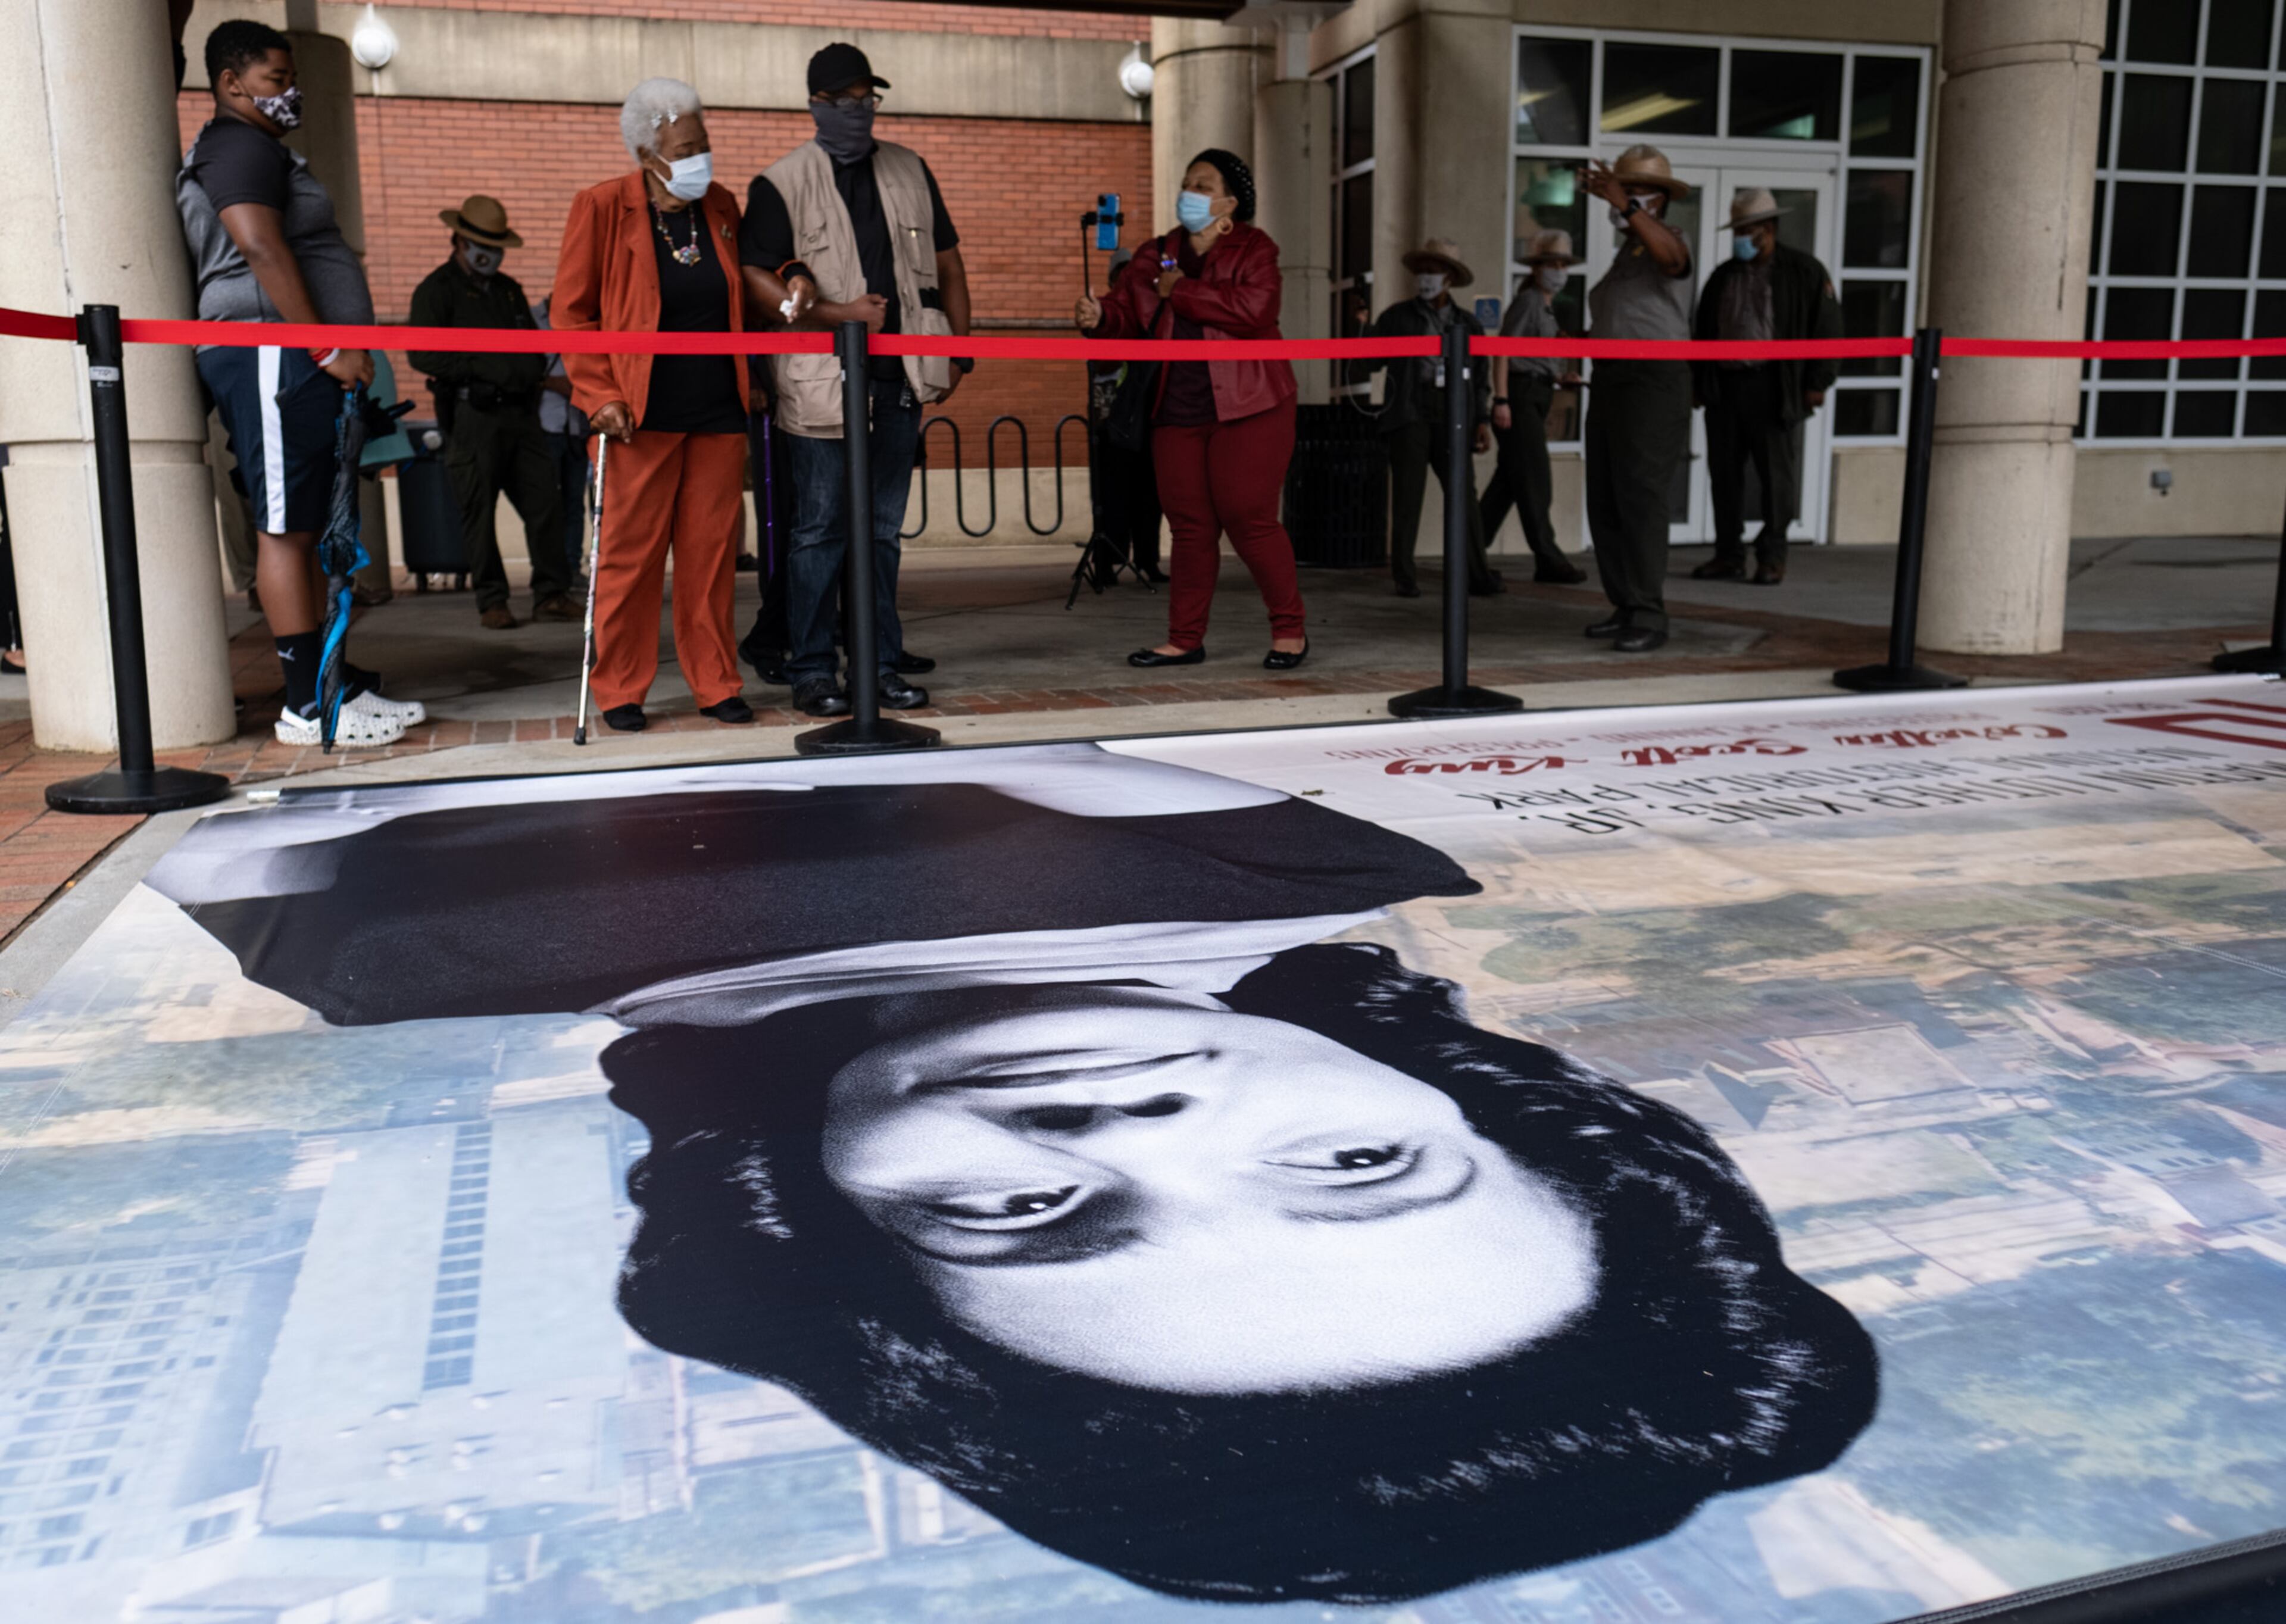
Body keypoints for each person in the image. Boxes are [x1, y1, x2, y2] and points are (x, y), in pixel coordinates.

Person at [148, 743, 1878, 1607]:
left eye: (1022, 1217)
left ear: (824, 1230)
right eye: (1356, 1168)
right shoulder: (1319, 844)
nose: (1131, 1137)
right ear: (1487, 1113)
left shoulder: (376, 948)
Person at [177, 20, 425, 747]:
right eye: (276, 81)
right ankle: (307, 707)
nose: (292, 94)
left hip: (289, 357)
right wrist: (323, 345)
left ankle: (330, 682)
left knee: (308, 522)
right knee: (285, 527)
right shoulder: (237, 147)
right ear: (231, 83)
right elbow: (258, 244)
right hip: (272, 352)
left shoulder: (258, 148)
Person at [740, 42, 969, 720]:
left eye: (868, 99)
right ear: (816, 106)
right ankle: (812, 669)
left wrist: (958, 352)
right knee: (819, 533)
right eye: (842, 102)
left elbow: (950, 267)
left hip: (901, 378)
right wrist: (833, 312)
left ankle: (881, 665)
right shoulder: (780, 183)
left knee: (883, 533)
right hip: (819, 381)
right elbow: (757, 284)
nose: (858, 113)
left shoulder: (909, 168)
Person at [554, 77, 754, 733]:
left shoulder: (721, 206)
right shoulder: (603, 206)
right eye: (687, 146)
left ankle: (716, 681)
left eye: (705, 142)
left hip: (718, 410)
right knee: (628, 560)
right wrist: (599, 394)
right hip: (638, 414)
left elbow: (747, 286)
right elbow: (573, 314)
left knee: (710, 558)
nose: (703, 156)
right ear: (648, 155)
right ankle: (619, 687)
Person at [1077, 151, 1308, 670]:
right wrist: (1099, 317)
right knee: (1189, 526)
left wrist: (1182, 289)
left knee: (1250, 519)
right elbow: (1127, 314)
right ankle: (1184, 639)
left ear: (1231, 201)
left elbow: (1256, 311)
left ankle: (1290, 630)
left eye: (1203, 185)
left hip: (1252, 405)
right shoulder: (1156, 253)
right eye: (1187, 183)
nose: (1190, 192)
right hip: (1176, 408)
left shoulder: (1255, 248)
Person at [407, 197, 576, 629]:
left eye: (497, 244)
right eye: (483, 243)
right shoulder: (435, 291)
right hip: (472, 414)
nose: (491, 253)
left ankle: (551, 593)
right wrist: (480, 369)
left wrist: (525, 375)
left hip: (522, 415)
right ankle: (492, 600)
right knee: (478, 512)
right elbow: (423, 354)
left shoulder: (508, 291)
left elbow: (533, 350)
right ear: (460, 240)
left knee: (544, 502)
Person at [1691, 188, 1844, 586]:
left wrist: (1818, 380)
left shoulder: (1804, 271)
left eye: (1750, 229)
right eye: (1739, 229)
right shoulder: (1724, 276)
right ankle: (1729, 554)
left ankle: (1772, 556)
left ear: (1770, 228)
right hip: (1725, 385)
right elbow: (1703, 331)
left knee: (1776, 477)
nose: (1743, 237)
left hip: (1773, 385)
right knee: (1724, 474)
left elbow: (1828, 329)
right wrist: (1698, 382)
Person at [1578, 144, 1698, 654]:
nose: (1619, 200)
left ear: (1656, 200)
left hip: (1654, 380)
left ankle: (1649, 611)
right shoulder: (1626, 254)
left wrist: (1623, 202)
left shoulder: (1669, 239)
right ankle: (1626, 603)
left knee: (1642, 495)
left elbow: (1673, 261)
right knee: (1606, 494)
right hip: (1611, 376)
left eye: (1632, 191)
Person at [1364, 238, 1498, 601]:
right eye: (1421, 271)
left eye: (1434, 271)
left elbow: (1481, 377)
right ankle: (1404, 576)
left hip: (1455, 410)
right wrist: (1363, 331)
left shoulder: (1468, 324)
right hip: (1410, 411)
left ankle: (1477, 574)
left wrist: (1482, 420)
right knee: (1408, 496)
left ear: (1450, 277)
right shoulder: (1397, 317)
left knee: (1464, 496)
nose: (1426, 278)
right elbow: (1369, 363)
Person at [1480, 230, 1589, 586]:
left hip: (1538, 392)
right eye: (1551, 264)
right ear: (1538, 269)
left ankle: (1468, 553)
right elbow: (1504, 350)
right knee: (1535, 481)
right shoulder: (1528, 301)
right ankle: (1549, 558)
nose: (1558, 271)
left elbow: (1533, 355)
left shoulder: (1545, 307)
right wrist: (1501, 399)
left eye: (1563, 265)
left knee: (1508, 485)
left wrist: (1559, 377)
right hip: (1520, 397)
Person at [1086, 251, 1166, 583]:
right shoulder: (1107, 313)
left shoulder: (1150, 314)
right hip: (1111, 422)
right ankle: (1107, 563)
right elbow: (1102, 363)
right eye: (1123, 277)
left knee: (1150, 496)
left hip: (1146, 420)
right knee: (1111, 497)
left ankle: (1148, 560)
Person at [530, 294, 593, 601]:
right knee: (546, 504)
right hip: (545, 426)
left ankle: (570, 567)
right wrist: (552, 383)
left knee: (574, 502)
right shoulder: (531, 320)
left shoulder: (585, 320)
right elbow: (526, 370)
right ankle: (549, 572)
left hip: (577, 426)